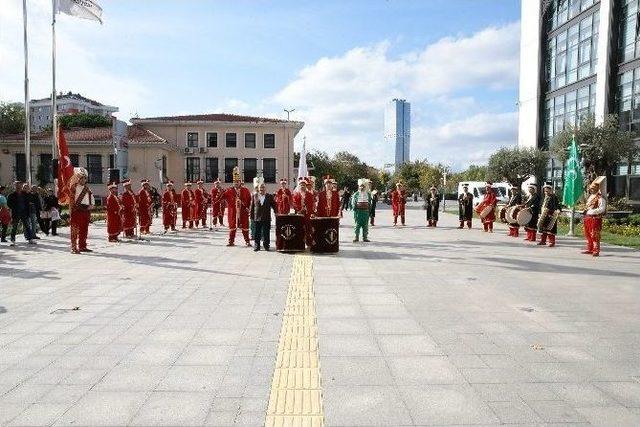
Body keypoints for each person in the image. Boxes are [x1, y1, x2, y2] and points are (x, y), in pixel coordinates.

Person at [223, 167, 252, 246]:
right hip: (233, 212)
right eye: (234, 182)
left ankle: (247, 241)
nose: (236, 183)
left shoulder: (245, 190)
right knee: (232, 226)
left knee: (245, 226)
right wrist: (221, 191)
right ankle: (231, 241)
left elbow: (249, 200)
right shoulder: (229, 190)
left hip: (243, 212)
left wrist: (248, 208)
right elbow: (221, 197)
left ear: (240, 182)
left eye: (237, 181)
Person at [69, 168, 94, 253]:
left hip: (86, 210)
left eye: (84, 178)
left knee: (84, 229)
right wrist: (74, 208)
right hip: (77, 210)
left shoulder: (87, 188)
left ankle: (82, 246)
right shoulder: (74, 187)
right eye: (81, 178)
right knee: (75, 229)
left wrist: (92, 205)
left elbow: (92, 198)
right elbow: (72, 200)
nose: (83, 180)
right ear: (78, 178)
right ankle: (73, 247)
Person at [582, 178, 606, 257]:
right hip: (587, 218)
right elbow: (588, 206)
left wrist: (593, 211)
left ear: (596, 189)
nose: (591, 190)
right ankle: (590, 248)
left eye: (592, 189)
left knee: (595, 234)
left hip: (595, 218)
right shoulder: (590, 197)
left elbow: (602, 209)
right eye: (590, 189)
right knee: (587, 234)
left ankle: (596, 250)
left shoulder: (600, 198)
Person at [250, 183, 277, 251]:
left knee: (266, 232)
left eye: (263, 188)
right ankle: (257, 246)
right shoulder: (254, 196)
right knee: (257, 233)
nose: (262, 189)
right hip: (257, 217)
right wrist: (251, 216)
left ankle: (266, 245)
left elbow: (274, 205)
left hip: (266, 217)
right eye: (260, 188)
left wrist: (276, 212)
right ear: (258, 189)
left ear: (265, 189)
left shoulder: (269, 196)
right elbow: (252, 206)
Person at [7, 181, 34, 246]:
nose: (19, 187)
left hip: (24, 212)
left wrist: (28, 192)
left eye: (20, 185)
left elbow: (30, 199)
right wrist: (15, 208)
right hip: (16, 213)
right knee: (14, 227)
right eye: (17, 185)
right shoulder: (11, 195)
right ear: (15, 186)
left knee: (27, 226)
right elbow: (9, 204)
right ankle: (13, 240)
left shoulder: (24, 193)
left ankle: (30, 239)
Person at [293, 178, 316, 246]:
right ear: (299, 186)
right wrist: (299, 210)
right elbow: (294, 203)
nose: (302, 186)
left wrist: (306, 209)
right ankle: (300, 243)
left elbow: (311, 204)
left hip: (307, 214)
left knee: (308, 228)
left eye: (304, 185)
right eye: (301, 185)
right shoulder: (296, 194)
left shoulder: (309, 194)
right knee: (299, 229)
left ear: (306, 186)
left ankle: (308, 243)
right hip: (299, 215)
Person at [537, 183, 561, 247]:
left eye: (547, 190)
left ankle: (552, 242)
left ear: (550, 190)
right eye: (545, 191)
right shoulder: (544, 197)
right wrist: (540, 213)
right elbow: (540, 206)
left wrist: (555, 211)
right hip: (544, 215)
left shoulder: (554, 197)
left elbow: (557, 206)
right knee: (543, 229)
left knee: (551, 229)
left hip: (551, 215)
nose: (546, 192)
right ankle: (543, 241)